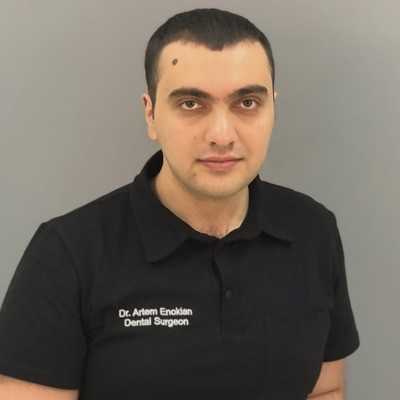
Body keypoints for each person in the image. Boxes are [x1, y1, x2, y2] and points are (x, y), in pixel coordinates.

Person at [0, 7, 360, 400]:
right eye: (191, 103)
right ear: (151, 114)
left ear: (273, 108)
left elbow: (325, 389)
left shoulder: (312, 230)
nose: (221, 135)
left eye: (247, 103)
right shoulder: (68, 253)